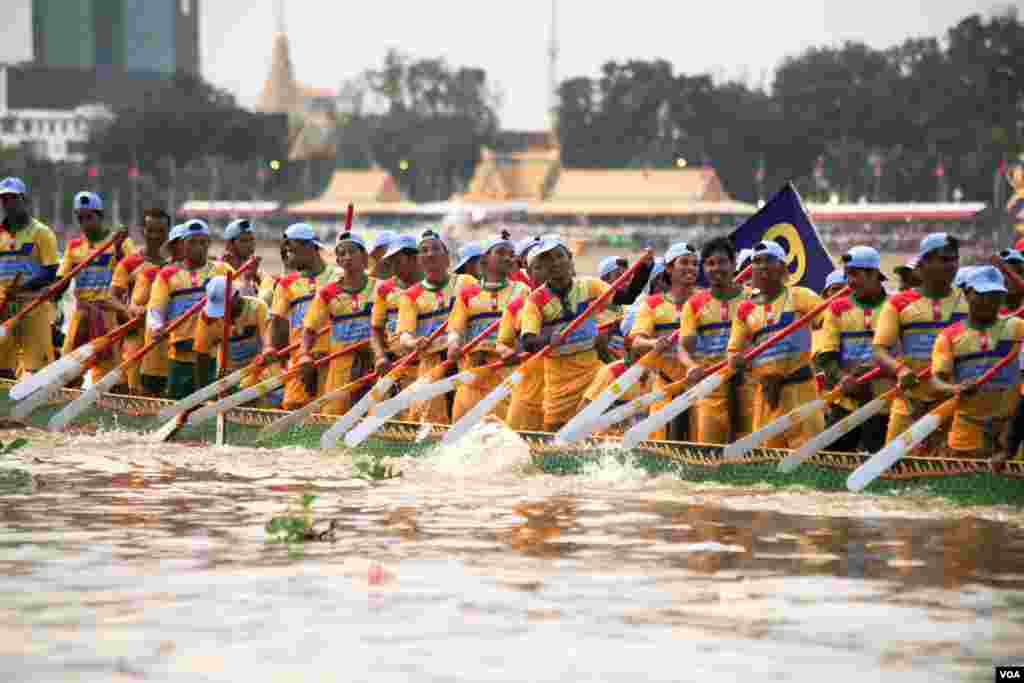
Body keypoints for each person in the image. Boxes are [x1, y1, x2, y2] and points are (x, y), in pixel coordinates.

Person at [519, 239, 653, 431]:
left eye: (559, 256)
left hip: (593, 373)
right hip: (558, 382)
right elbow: (528, 342)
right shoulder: (535, 300)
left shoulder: (589, 286)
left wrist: (644, 270)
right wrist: (549, 339)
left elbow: (627, 297)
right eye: (549, 260)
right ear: (543, 267)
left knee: (595, 430)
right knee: (556, 436)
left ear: (570, 259)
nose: (555, 263)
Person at [727, 240, 825, 449]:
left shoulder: (801, 296)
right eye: (757, 262)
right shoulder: (744, 310)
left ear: (782, 267)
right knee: (765, 462)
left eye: (769, 261)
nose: (762, 266)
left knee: (808, 460)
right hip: (767, 395)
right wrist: (739, 361)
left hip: (801, 391)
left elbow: (829, 326)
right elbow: (733, 355)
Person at [873, 232, 967, 446]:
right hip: (910, 401)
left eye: (955, 259)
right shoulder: (899, 303)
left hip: (956, 402)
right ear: (924, 263)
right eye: (944, 259)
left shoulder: (970, 300)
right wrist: (900, 370)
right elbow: (879, 350)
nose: (952, 265)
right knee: (894, 473)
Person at [931, 266, 1024, 460]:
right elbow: (936, 381)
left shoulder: (1018, 328)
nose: (990, 301)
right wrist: (955, 388)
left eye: (996, 294)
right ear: (967, 293)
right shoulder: (948, 336)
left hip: (1010, 427)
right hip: (967, 429)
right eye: (982, 294)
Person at [57, 191, 137, 387]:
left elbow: (132, 274)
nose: (85, 223)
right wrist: (53, 289)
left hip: (108, 313)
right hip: (81, 312)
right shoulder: (74, 246)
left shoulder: (121, 242)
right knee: (67, 369)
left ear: (100, 216)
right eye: (81, 218)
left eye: (90, 217)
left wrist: (117, 249)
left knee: (108, 374)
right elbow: (62, 278)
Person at [396, 229, 477, 424]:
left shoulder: (466, 282)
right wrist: (414, 342)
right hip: (432, 363)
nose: (430, 254)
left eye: (435, 249)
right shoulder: (410, 295)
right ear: (419, 261)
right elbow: (404, 336)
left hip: (464, 357)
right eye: (424, 250)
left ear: (447, 257)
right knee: (432, 421)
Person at [447, 231, 530, 421]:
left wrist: (515, 350)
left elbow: (526, 331)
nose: (508, 258)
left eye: (511, 254)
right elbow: (455, 328)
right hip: (472, 374)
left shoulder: (522, 291)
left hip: (507, 373)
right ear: (484, 260)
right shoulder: (467, 293)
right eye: (501, 253)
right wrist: (453, 345)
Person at [815, 246, 891, 452]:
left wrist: (873, 373)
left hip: (885, 404)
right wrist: (842, 378)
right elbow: (827, 357)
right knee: (827, 463)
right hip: (846, 400)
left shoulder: (894, 306)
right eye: (847, 274)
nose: (849, 281)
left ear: (875, 274)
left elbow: (902, 356)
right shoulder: (837, 308)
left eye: (855, 274)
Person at [147, 220, 234, 399]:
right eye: (192, 242)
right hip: (180, 355)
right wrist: (156, 328)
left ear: (209, 244)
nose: (199, 248)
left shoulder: (223, 270)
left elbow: (239, 299)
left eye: (203, 242)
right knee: (178, 405)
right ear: (182, 245)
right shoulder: (167, 275)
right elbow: (155, 309)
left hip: (214, 355)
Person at [678, 237, 750, 444]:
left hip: (749, 382)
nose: (716, 268)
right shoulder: (694, 304)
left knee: (752, 451)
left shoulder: (752, 298)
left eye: (722, 262)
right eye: (710, 264)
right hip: (711, 387)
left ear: (733, 264)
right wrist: (691, 366)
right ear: (704, 268)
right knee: (709, 452)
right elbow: (683, 348)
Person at [301, 231, 380, 415]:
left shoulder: (381, 288)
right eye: (342, 254)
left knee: (373, 419)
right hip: (340, 367)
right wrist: (305, 354)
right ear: (338, 262)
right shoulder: (327, 293)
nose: (347, 257)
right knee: (332, 417)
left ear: (365, 257)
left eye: (352, 252)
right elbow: (310, 329)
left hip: (374, 364)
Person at [630, 242, 699, 440]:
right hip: (665, 385)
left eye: (695, 264)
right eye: (684, 263)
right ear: (669, 269)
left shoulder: (705, 298)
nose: (691, 268)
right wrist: (653, 344)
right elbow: (636, 342)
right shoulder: (652, 304)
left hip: (700, 383)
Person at [270, 223, 338, 409]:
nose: (288, 254)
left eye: (291, 249)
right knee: (294, 406)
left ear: (309, 247)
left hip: (335, 358)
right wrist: (282, 362)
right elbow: (278, 325)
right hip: (301, 361)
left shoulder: (339, 277)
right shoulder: (286, 284)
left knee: (331, 413)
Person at [0, 177, 60, 380]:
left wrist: (22, 287)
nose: (8, 204)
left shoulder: (41, 233)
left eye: (13, 198)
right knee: (2, 370)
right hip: (4, 307)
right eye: (4, 199)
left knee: (36, 373)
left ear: (24, 200)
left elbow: (50, 272)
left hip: (33, 306)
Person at [111, 208, 169, 395]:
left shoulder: (174, 265)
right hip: (135, 334)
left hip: (163, 336)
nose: (155, 236)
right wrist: (128, 311)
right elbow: (111, 297)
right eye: (150, 230)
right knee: (134, 390)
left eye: (161, 231)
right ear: (142, 230)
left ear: (168, 232)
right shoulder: (129, 263)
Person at [497, 238, 548, 431]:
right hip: (526, 385)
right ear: (529, 272)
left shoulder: (575, 300)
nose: (544, 272)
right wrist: (505, 352)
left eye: (548, 266)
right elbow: (501, 344)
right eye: (538, 267)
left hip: (563, 383)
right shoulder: (516, 306)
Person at [369, 234, 423, 415]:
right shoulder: (384, 290)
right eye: (390, 262)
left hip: (426, 361)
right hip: (394, 363)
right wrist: (380, 357)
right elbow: (375, 330)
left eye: (397, 261)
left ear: (414, 258)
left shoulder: (432, 287)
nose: (393, 267)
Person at [194, 275, 271, 382]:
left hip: (257, 371)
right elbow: (202, 354)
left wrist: (266, 353)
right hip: (227, 375)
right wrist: (201, 392)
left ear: (236, 296)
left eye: (225, 307)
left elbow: (268, 344)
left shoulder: (258, 307)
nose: (221, 315)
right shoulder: (207, 317)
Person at [222, 219, 275, 306]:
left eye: (252, 240)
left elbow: (261, 306)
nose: (250, 244)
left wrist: (253, 278)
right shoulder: (218, 271)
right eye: (244, 241)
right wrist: (247, 280)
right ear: (229, 244)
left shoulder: (260, 275)